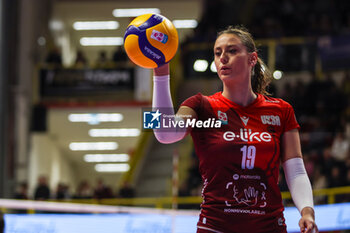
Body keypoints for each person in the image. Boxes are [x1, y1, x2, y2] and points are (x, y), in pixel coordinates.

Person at [152, 25, 318, 233]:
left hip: (269, 227)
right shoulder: (201, 106)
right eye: (218, 52)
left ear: (252, 59)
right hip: (215, 226)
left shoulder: (281, 111)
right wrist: (160, 73)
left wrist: (307, 211)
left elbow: (295, 171)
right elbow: (164, 133)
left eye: (232, 51)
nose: (223, 58)